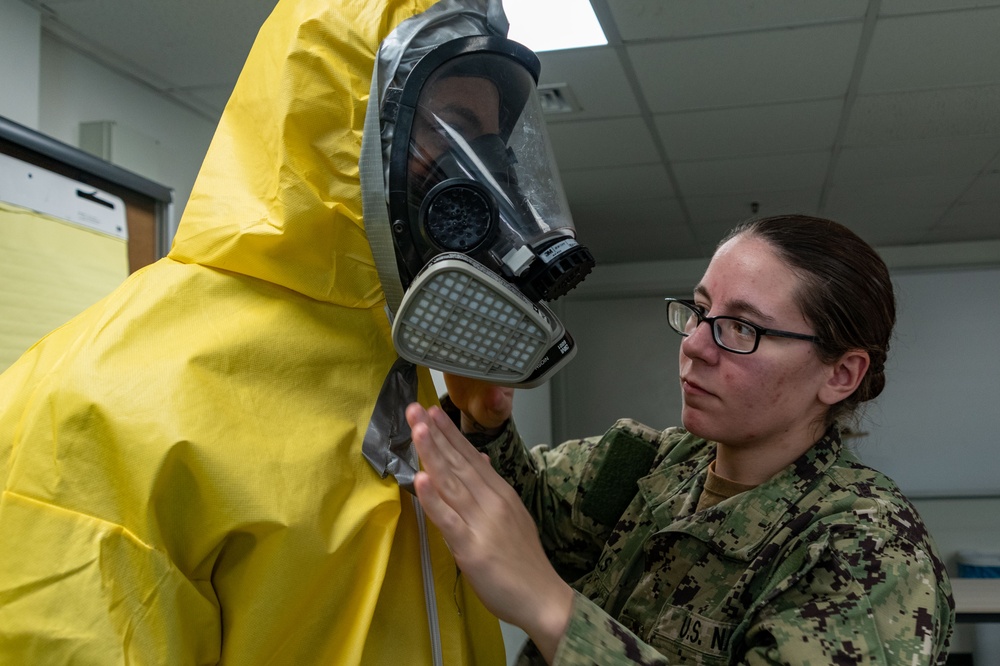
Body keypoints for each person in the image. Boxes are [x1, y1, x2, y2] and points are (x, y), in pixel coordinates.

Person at [0, 0, 592, 663]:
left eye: (493, 146)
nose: (491, 178)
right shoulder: (98, 405)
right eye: (452, 130)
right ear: (342, 127)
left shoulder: (395, 374)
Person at [406, 214, 956, 664]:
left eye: (743, 328)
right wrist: (487, 423)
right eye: (699, 311)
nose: (694, 345)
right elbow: (535, 519)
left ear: (840, 375)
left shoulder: (870, 554)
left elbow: (527, 569)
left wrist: (552, 608)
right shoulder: (648, 463)